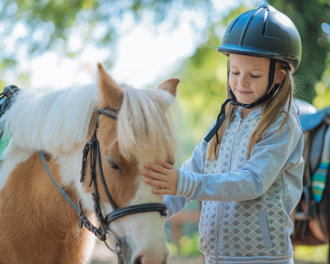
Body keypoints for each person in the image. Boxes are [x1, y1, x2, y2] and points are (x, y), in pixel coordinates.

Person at [141, 4, 304, 264]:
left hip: (262, 259)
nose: (241, 82)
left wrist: (183, 181)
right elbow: (191, 172)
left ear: (279, 77)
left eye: (254, 75)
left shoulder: (282, 124)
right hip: (214, 258)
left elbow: (252, 182)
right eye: (235, 72)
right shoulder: (224, 122)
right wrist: (149, 212)